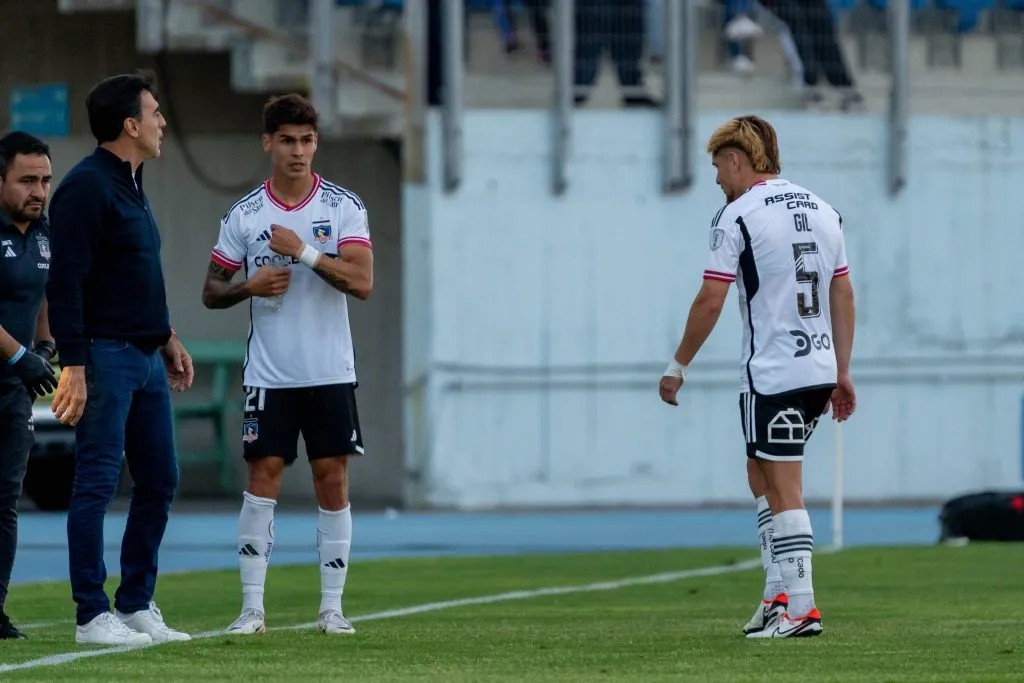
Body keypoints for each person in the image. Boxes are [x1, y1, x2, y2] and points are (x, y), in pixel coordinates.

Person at [658, 115, 856, 638]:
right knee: (761, 476)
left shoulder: (737, 214)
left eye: (719, 166)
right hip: (816, 367)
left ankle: (801, 608)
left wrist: (678, 364)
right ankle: (777, 597)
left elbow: (711, 297)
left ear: (737, 160)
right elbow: (842, 292)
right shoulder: (823, 208)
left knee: (784, 485)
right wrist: (842, 370)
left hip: (773, 371)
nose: (717, 178)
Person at [202, 93, 373, 636]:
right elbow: (210, 290)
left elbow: (363, 282)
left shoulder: (344, 206)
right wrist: (247, 286)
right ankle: (252, 608)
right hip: (269, 374)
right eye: (287, 141)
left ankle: (332, 608)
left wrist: (303, 253)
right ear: (267, 143)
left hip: (329, 372)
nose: (298, 152)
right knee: (263, 477)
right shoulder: (245, 214)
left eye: (306, 141)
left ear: (315, 143)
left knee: (331, 477)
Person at [46, 69, 195, 646]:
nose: (162, 122)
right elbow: (67, 283)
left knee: (160, 478)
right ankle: (91, 614)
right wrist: (75, 367)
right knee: (96, 484)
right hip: (104, 358)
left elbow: (133, 276)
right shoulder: (86, 187)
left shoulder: (133, 184)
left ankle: (135, 603)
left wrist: (167, 336)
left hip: (145, 355)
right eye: (154, 113)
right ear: (130, 124)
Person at [0, 131, 59, 640]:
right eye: (26, 180)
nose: (38, 190)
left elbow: (42, 298)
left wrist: (43, 348)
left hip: (11, 390)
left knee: (4, 501)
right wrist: (20, 356)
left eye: (44, 179)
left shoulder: (44, 232)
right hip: (10, 370)